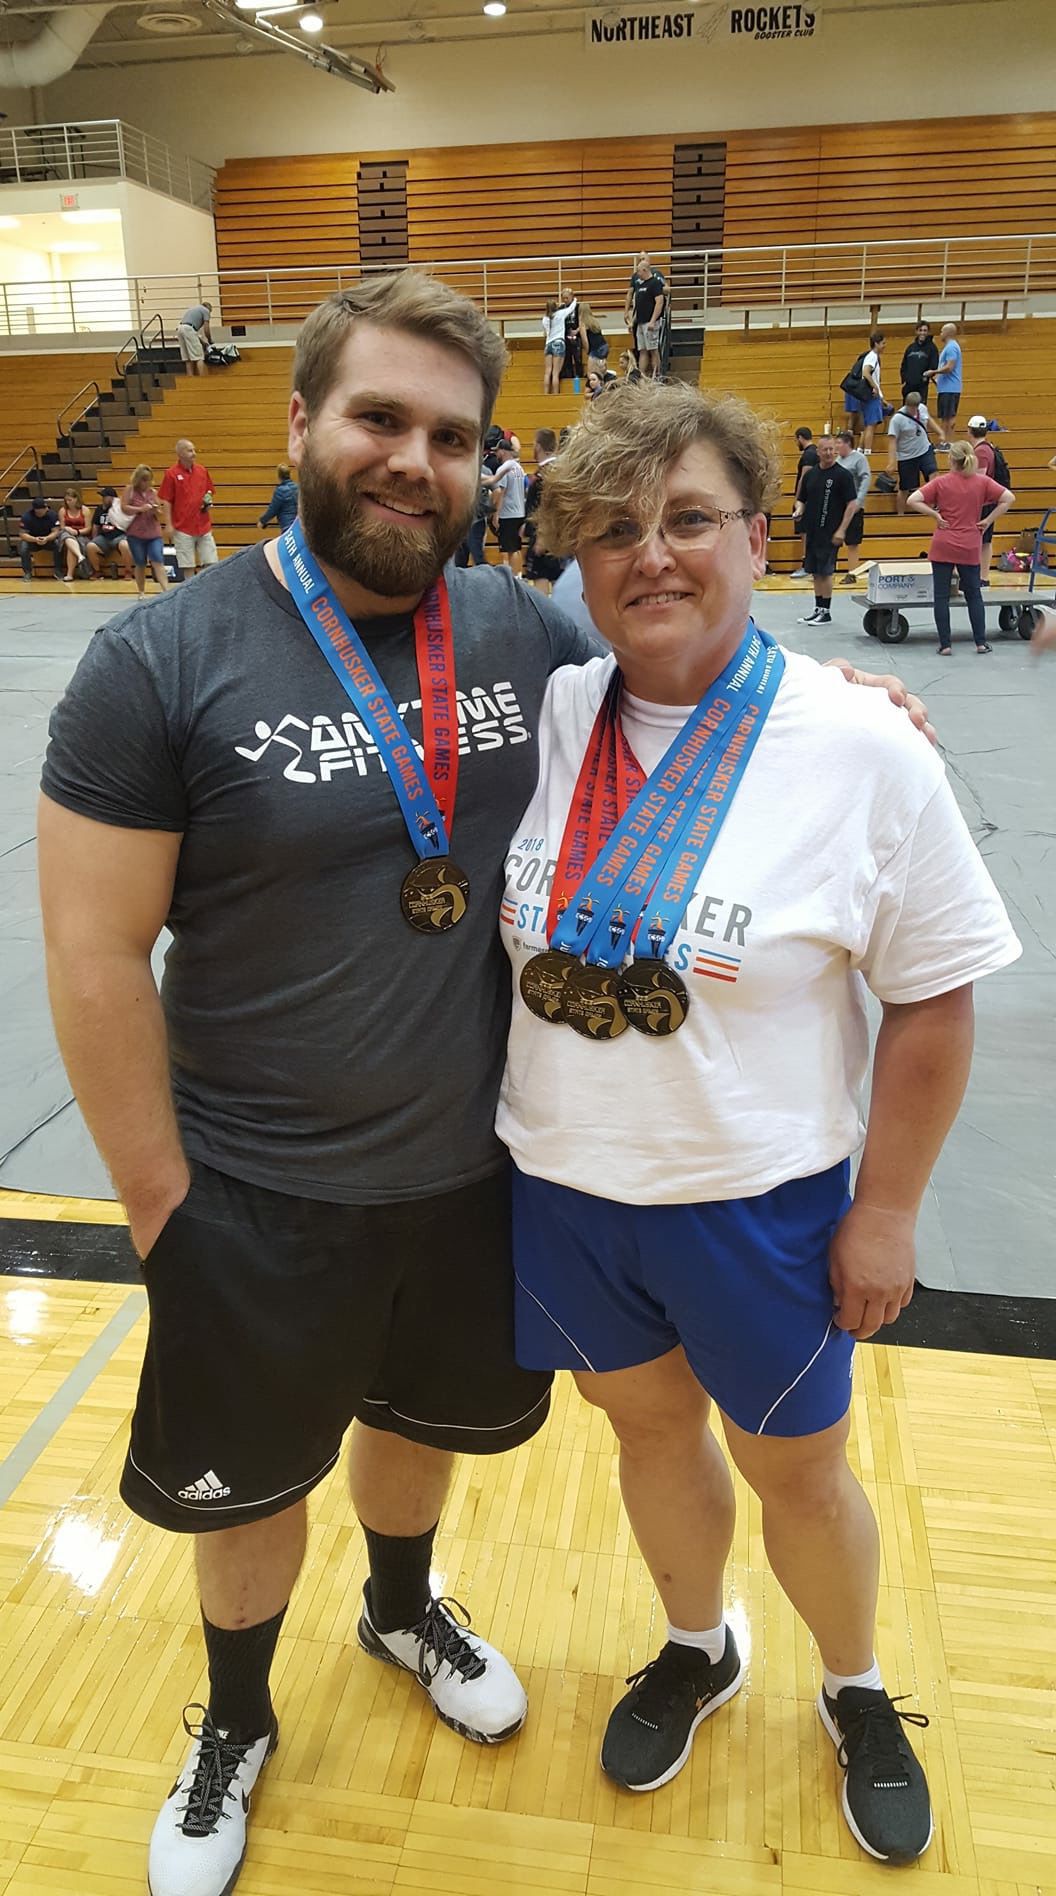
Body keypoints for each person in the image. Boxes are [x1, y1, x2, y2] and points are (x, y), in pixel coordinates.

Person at [38, 272, 932, 1896]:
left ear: (480, 463)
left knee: (415, 1428)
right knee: (253, 1483)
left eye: (450, 435)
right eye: (379, 418)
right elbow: (97, 957)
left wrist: (842, 691)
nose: (412, 460)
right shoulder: (157, 662)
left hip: (475, 1175)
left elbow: (694, 627)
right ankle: (235, 1718)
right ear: (302, 420)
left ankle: (398, 1608)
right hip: (252, 1187)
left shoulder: (520, 627)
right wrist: (160, 1201)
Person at [499, 377, 1021, 1869]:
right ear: (576, 564)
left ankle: (853, 1688)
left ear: (757, 534)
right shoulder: (554, 710)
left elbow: (931, 1002)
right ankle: (696, 1642)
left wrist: (891, 1208)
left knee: (798, 1467)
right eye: (610, 532)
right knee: (649, 1440)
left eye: (687, 520)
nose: (649, 557)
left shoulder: (862, 748)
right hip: (568, 1186)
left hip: (762, 1201)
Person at [906, 441, 1014, 654]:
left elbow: (913, 499)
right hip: (969, 543)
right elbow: (1009, 498)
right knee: (974, 595)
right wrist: (988, 520)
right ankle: (980, 642)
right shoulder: (982, 482)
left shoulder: (941, 482)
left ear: (950, 459)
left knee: (941, 597)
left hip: (944, 542)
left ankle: (945, 645)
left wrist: (935, 515)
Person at [792, 434, 858, 624]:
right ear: (818, 452)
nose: (829, 453)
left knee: (826, 571)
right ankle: (818, 608)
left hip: (831, 531)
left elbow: (852, 504)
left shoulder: (842, 475)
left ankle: (826, 611)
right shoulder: (811, 475)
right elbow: (801, 499)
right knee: (815, 571)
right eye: (825, 450)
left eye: (832, 449)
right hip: (812, 530)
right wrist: (799, 509)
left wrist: (842, 530)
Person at [159, 439, 218, 582]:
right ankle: (190, 593)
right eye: (190, 450)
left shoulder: (202, 471)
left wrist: (208, 502)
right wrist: (169, 524)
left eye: (194, 450)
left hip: (203, 524)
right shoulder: (171, 474)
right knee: (188, 565)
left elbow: (209, 491)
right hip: (183, 527)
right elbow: (166, 500)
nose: (194, 454)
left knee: (211, 562)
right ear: (180, 453)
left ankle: (207, 589)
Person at [523, 428, 566, 594]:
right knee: (557, 578)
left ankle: (544, 618)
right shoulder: (557, 470)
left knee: (541, 578)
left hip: (545, 534)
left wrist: (541, 537)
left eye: (534, 444)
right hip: (554, 535)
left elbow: (548, 507)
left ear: (539, 446)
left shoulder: (547, 474)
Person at [885, 391, 943, 513]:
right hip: (907, 456)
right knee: (905, 488)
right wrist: (892, 461)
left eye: (915, 408)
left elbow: (929, 420)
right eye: (911, 408)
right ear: (907, 405)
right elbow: (892, 441)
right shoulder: (897, 419)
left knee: (934, 475)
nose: (914, 410)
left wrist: (940, 432)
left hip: (924, 449)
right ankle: (900, 515)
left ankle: (934, 506)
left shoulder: (922, 409)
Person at [121, 463, 170, 595]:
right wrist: (140, 509)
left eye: (148, 479)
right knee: (140, 562)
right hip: (135, 533)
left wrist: (155, 510)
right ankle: (141, 591)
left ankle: (166, 590)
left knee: (157, 559)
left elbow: (159, 511)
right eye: (143, 479)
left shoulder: (153, 492)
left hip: (153, 532)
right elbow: (124, 507)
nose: (146, 483)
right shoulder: (129, 490)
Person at [482, 437, 527, 573]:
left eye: (498, 451)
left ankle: (513, 576)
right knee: (516, 548)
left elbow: (501, 492)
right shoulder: (518, 467)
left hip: (508, 514)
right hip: (520, 512)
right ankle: (518, 574)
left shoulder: (504, 468)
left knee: (509, 549)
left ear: (503, 451)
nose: (496, 454)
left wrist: (496, 513)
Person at [966, 416, 1002, 581]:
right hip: (988, 501)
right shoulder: (988, 447)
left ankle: (980, 576)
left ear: (969, 431)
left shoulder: (980, 451)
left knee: (979, 540)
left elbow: (978, 479)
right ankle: (983, 577)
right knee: (985, 541)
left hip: (982, 503)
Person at [835, 430, 872, 582]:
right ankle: (829, 569)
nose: (836, 447)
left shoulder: (859, 459)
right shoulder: (836, 460)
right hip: (838, 505)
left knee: (852, 541)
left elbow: (866, 478)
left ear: (847, 443)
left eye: (838, 443)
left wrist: (859, 500)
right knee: (833, 538)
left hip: (854, 505)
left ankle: (852, 573)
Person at [625, 252, 666, 380]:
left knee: (653, 349)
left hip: (650, 322)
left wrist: (653, 321)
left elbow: (659, 302)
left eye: (639, 271)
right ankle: (641, 376)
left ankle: (656, 375)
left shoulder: (655, 283)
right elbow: (638, 305)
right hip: (641, 321)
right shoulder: (640, 285)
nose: (637, 274)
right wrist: (632, 321)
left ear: (644, 270)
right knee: (642, 350)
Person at [843, 331, 885, 453]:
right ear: (876, 344)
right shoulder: (872, 356)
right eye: (883, 343)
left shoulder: (871, 356)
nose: (884, 346)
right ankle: (867, 450)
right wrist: (875, 387)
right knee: (871, 424)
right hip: (871, 396)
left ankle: (860, 448)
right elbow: (866, 372)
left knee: (868, 424)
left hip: (869, 396)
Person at [790, 425, 820, 576]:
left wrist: (798, 500)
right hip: (813, 498)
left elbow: (804, 477)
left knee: (805, 532)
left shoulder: (809, 455)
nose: (796, 443)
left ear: (800, 438)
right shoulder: (815, 452)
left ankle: (807, 565)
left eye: (796, 440)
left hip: (806, 500)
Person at [86, 486, 133, 579]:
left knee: (124, 545)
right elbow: (95, 526)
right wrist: (94, 539)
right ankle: (97, 571)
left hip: (119, 535)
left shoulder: (121, 508)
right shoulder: (99, 509)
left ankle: (128, 571)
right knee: (90, 546)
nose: (103, 499)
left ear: (112, 498)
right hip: (104, 537)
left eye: (105, 497)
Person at [927, 323, 962, 444]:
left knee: (948, 417)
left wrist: (934, 371)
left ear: (947, 333)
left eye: (942, 331)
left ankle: (946, 442)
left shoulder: (951, 347)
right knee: (946, 416)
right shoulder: (950, 347)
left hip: (949, 388)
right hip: (947, 388)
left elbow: (950, 367)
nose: (940, 334)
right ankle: (946, 441)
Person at [18, 494, 63, 581]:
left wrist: (47, 538)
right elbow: (22, 534)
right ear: (36, 510)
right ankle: (27, 572)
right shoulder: (26, 517)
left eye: (46, 508)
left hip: (48, 540)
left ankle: (58, 571)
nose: (46, 510)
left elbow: (56, 531)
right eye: (43, 509)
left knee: (58, 545)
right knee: (24, 547)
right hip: (33, 540)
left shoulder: (52, 515)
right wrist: (34, 539)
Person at [541, 295, 577, 395]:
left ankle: (545, 394)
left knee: (547, 371)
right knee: (555, 373)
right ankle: (556, 395)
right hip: (558, 342)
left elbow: (546, 333)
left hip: (548, 344)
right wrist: (574, 300)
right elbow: (571, 308)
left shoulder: (545, 319)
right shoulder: (560, 314)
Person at [899, 321, 939, 404]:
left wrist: (925, 377)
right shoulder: (910, 348)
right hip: (908, 386)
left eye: (925, 330)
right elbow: (904, 365)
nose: (922, 333)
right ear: (916, 331)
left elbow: (934, 366)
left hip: (922, 387)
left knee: (920, 410)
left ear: (928, 332)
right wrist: (904, 380)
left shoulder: (932, 348)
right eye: (920, 330)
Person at [57, 485, 91, 582]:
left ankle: (70, 574)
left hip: (81, 534)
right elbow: (62, 527)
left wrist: (77, 532)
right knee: (67, 537)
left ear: (76, 499)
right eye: (66, 500)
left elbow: (88, 528)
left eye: (70, 500)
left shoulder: (85, 510)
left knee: (71, 547)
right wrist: (68, 529)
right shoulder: (63, 510)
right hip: (66, 534)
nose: (68, 502)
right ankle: (80, 556)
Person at [258, 463, 298, 533]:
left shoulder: (281, 491)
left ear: (278, 476)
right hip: (298, 524)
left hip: (287, 525)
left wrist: (262, 521)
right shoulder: (297, 487)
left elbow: (272, 509)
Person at [177, 301, 212, 377]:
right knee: (199, 356)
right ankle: (203, 379)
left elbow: (193, 332)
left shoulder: (193, 309)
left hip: (180, 328)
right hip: (189, 329)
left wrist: (202, 342)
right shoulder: (206, 311)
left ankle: (190, 379)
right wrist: (210, 340)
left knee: (187, 358)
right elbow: (206, 329)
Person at [578, 300, 608, 378]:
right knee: (600, 370)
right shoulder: (594, 321)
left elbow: (585, 340)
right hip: (604, 346)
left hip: (595, 349)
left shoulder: (582, 323)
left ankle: (595, 388)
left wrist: (587, 351)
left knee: (591, 373)